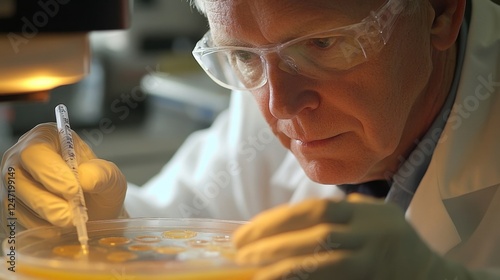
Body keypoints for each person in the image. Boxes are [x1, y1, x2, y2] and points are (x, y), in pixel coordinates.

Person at [2, 0, 500, 278]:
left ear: (439, 13)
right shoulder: (267, 89)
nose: (280, 105)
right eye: (241, 56)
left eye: (322, 44)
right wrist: (93, 228)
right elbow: (176, 238)